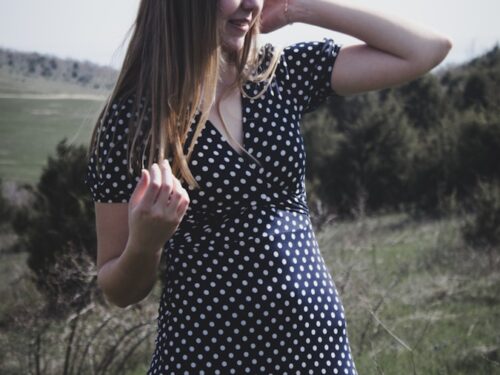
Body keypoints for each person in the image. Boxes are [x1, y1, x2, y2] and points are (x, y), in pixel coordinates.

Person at [85, 0, 452, 373]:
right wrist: (145, 244)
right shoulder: (130, 123)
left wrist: (299, 8)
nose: (251, 3)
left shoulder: (279, 73)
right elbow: (118, 289)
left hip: (317, 356)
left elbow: (426, 50)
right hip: (208, 359)